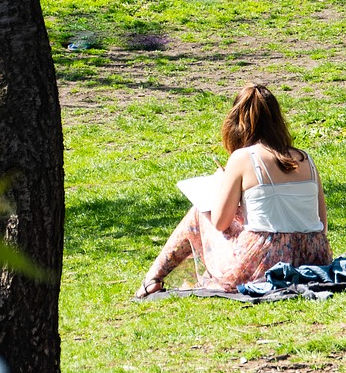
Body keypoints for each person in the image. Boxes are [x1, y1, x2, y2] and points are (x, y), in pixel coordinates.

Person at [136, 83, 332, 297]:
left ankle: (153, 278)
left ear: (238, 123)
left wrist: (223, 186)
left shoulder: (243, 157)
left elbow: (221, 223)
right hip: (315, 258)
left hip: (263, 263)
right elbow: (321, 224)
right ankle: (153, 279)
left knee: (198, 213)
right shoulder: (306, 159)